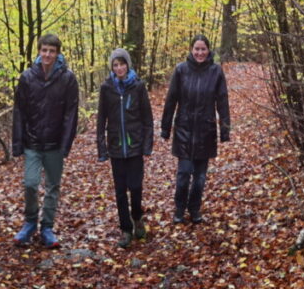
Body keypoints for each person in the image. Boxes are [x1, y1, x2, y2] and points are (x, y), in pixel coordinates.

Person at [11, 33, 79, 248]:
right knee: (30, 184)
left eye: (52, 51)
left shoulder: (68, 78)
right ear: (39, 52)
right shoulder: (27, 77)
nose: (48, 54)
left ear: (58, 53)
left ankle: (47, 227)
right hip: (32, 142)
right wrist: (18, 142)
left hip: (54, 144)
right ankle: (30, 223)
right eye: (44, 50)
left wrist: (66, 144)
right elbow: (19, 111)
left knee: (52, 186)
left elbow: (71, 114)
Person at [160, 34, 231, 224]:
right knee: (183, 174)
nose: (200, 52)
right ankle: (179, 208)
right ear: (191, 50)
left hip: (205, 131)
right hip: (183, 129)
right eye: (197, 49)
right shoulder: (181, 70)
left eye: (203, 49)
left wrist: (225, 130)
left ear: (208, 51)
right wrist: (165, 128)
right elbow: (171, 100)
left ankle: (194, 209)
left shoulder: (216, 72)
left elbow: (222, 102)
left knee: (199, 178)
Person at [96, 48, 154, 248]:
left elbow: (147, 118)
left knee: (135, 187)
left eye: (122, 64)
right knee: (120, 190)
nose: (119, 68)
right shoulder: (106, 88)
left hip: (135, 146)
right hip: (116, 146)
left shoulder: (138, 87)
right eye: (115, 65)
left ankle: (137, 217)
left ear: (128, 65)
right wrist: (101, 148)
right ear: (112, 67)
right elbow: (101, 118)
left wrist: (147, 144)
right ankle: (126, 229)